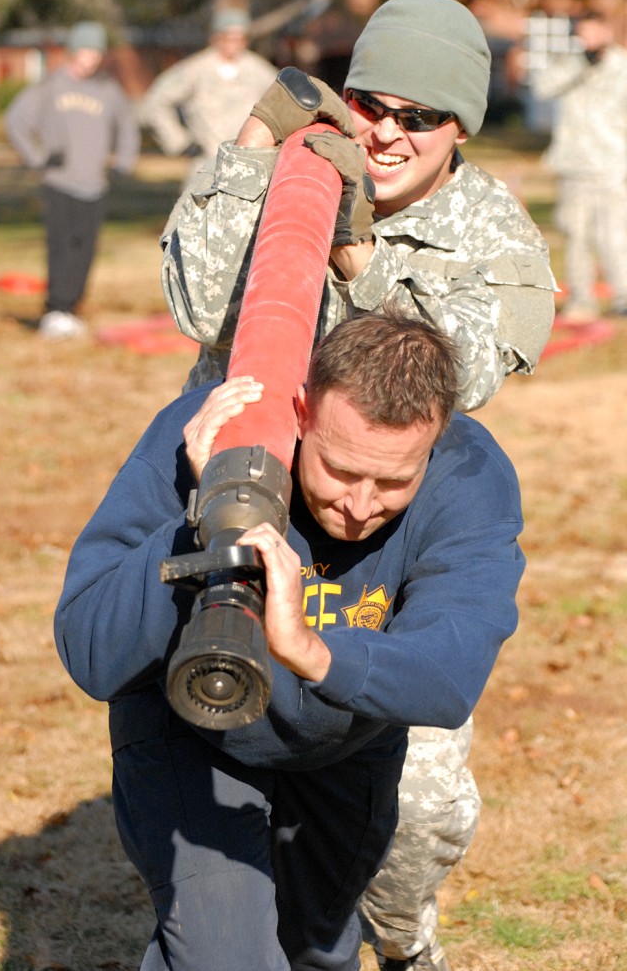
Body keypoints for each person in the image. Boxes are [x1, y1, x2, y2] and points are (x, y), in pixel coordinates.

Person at [159, 0, 557, 969]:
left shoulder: (494, 233)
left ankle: (400, 936)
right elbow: (196, 304)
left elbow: (461, 376)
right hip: (254, 490)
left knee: (412, 812)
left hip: (383, 537)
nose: (386, 132)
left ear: (459, 123)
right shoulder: (294, 167)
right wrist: (258, 143)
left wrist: (358, 257)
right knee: (208, 746)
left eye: (419, 116)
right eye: (370, 102)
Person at [55, 312, 525, 971]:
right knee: (229, 957)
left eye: (393, 481)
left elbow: (447, 676)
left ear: (437, 439)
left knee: (318, 953)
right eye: (339, 468)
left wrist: (307, 648)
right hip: (192, 726)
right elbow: (88, 649)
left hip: (342, 742)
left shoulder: (469, 478)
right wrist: (204, 511)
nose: (360, 505)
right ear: (302, 409)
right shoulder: (209, 432)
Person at [5, 21, 140, 339]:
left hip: (95, 184)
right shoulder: (51, 87)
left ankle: (73, 307)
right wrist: (37, 158)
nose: (90, 59)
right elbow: (16, 121)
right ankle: (55, 310)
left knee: (85, 248)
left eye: (96, 53)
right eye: (85, 52)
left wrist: (123, 163)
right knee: (61, 246)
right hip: (59, 182)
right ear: (72, 52)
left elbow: (128, 126)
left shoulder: (108, 90)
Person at [531, 10, 627, 321]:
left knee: (614, 233)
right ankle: (581, 300)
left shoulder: (621, 67)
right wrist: (578, 63)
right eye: (582, 34)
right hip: (574, 163)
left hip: (612, 163)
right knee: (575, 233)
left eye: (593, 32)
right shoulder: (569, 64)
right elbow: (541, 88)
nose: (588, 39)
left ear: (606, 31)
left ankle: (623, 297)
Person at [140, 7, 278, 176]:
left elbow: (284, 102)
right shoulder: (196, 69)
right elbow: (157, 101)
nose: (234, 44)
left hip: (249, 165)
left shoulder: (258, 70)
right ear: (216, 38)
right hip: (206, 164)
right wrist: (179, 142)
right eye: (228, 37)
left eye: (240, 38)